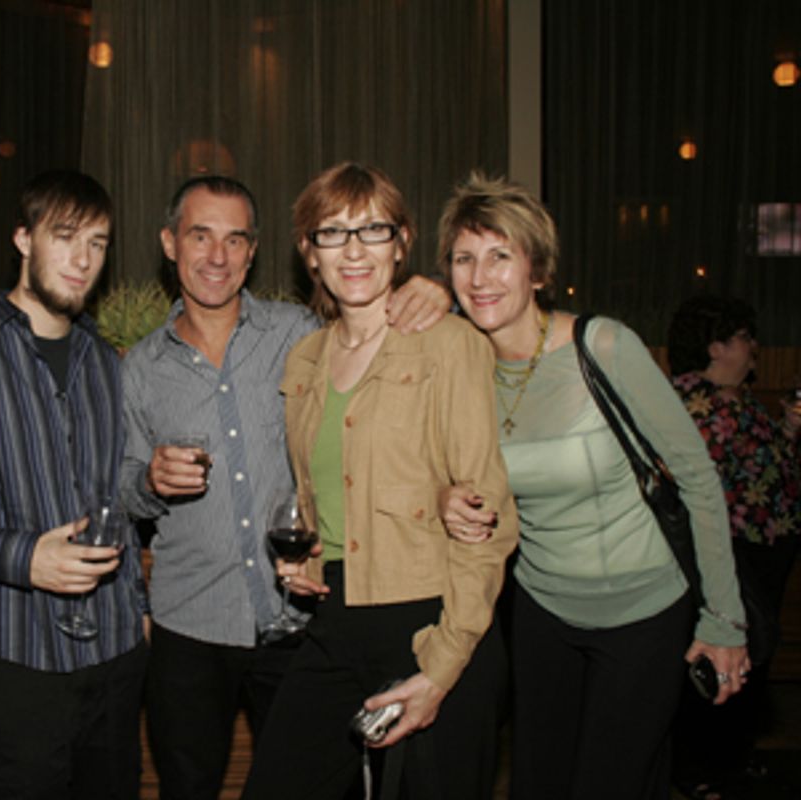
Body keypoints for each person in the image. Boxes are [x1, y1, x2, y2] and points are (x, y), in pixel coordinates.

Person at [119, 174, 449, 799]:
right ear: (169, 243)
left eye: (235, 239)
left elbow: (380, 328)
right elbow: (121, 489)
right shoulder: (140, 369)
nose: (217, 256)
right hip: (192, 628)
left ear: (253, 251)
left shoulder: (301, 334)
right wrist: (148, 480)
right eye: (200, 236)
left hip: (301, 621)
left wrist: (434, 290)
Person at [437, 173, 749, 799]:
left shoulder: (601, 346)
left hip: (643, 613)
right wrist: (445, 494)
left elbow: (696, 477)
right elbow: (450, 466)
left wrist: (724, 620)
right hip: (542, 613)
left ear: (537, 270)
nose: (480, 276)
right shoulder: (460, 364)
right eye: (464, 259)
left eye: (500, 256)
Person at [241, 163, 517, 799]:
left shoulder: (450, 344)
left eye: (372, 229)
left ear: (401, 242)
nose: (354, 249)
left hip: (436, 619)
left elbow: (489, 521)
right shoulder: (304, 360)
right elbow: (321, 497)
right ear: (309, 252)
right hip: (335, 620)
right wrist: (308, 558)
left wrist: (443, 666)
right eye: (332, 233)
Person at [0, 170, 148, 798]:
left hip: (115, 653)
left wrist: (137, 608)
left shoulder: (104, 362)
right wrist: (23, 557)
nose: (83, 259)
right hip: (17, 655)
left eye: (97, 242)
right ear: (23, 239)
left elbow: (114, 497)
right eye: (64, 236)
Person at [668, 295, 799, 797]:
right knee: (717, 659)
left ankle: (728, 758)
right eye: (744, 337)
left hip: (763, 549)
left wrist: (789, 431)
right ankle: (699, 768)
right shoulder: (698, 405)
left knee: (748, 658)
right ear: (715, 346)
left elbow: (766, 467)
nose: (754, 347)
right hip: (729, 555)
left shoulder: (734, 399)